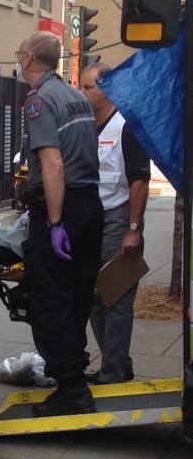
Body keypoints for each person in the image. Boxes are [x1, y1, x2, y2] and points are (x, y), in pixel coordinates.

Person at [17, 32, 104, 417]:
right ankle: (75, 377)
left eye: (20, 53)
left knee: (50, 299)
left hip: (61, 208)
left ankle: (71, 388)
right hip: (90, 205)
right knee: (78, 296)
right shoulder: (78, 97)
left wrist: (54, 223)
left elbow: (53, 164)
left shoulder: (39, 100)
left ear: (29, 58)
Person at [80, 63, 151, 385]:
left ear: (106, 89)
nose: (82, 92)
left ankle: (113, 372)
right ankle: (117, 362)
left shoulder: (126, 127)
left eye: (88, 87)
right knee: (95, 299)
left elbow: (139, 182)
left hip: (119, 217)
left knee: (115, 296)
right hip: (92, 218)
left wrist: (133, 229)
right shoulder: (86, 126)